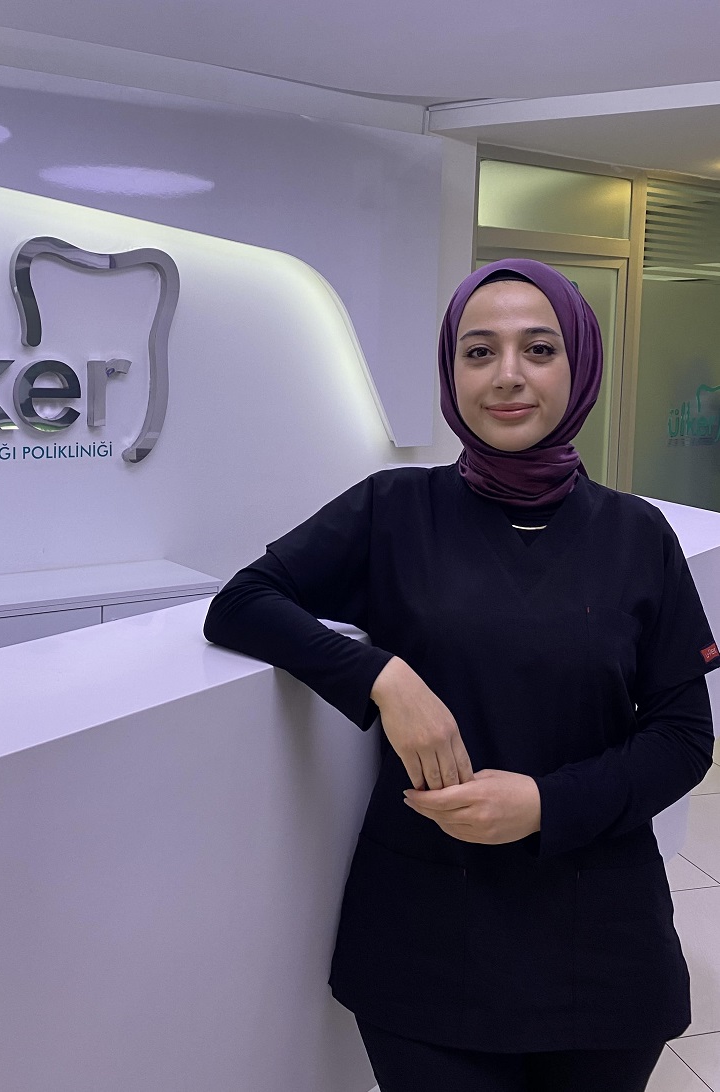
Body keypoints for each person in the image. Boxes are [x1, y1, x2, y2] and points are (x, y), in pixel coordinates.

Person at [203, 259, 720, 1092]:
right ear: (452, 373)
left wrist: (545, 804)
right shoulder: (393, 510)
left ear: (580, 366)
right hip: (429, 939)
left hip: (601, 935)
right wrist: (382, 677)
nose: (507, 375)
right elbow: (242, 602)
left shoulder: (637, 535)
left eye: (538, 349)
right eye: (479, 352)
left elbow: (683, 736)